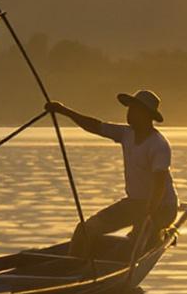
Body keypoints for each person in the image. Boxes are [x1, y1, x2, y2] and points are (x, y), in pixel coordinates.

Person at [48, 87, 176, 259]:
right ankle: (74, 268)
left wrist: (148, 216)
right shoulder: (126, 134)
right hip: (135, 203)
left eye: (135, 110)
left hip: (161, 207)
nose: (129, 113)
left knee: (133, 246)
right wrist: (63, 111)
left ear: (147, 115)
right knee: (85, 230)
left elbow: (159, 184)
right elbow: (95, 126)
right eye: (129, 109)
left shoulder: (158, 145)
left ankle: (152, 234)